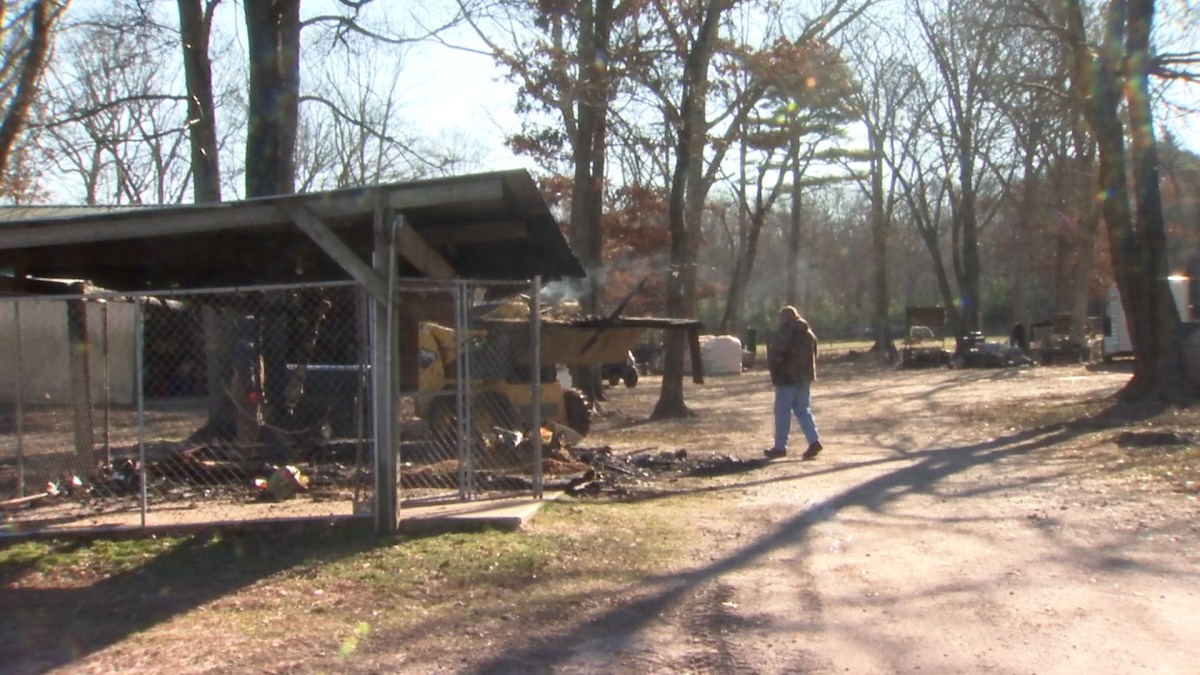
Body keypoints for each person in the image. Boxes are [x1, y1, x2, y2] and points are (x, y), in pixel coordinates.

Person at [765, 306, 823, 460]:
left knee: (782, 413)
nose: (779, 321)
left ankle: (780, 447)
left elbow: (777, 353)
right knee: (803, 411)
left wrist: (774, 368)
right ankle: (814, 441)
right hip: (804, 378)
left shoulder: (786, 332)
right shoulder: (808, 333)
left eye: (780, 317)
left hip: (786, 378)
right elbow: (815, 353)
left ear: (786, 317)